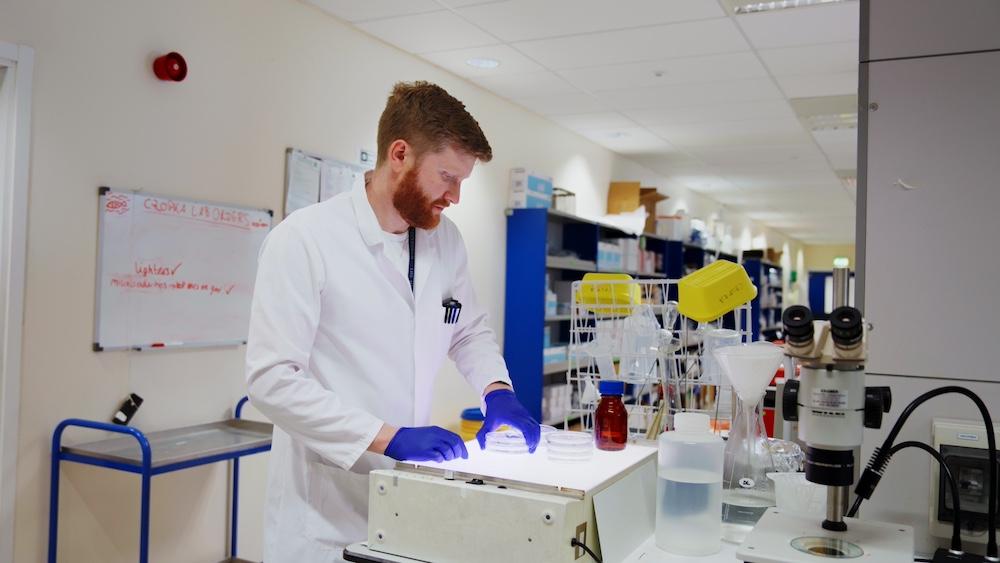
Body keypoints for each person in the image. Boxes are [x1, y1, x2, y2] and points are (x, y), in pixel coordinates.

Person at [245, 81, 540, 563]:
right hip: (323, 509)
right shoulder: (304, 240)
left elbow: (466, 329)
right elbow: (271, 380)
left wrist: (497, 390)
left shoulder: (444, 240)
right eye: (447, 176)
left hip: (406, 500)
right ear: (399, 153)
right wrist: (388, 438)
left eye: (462, 181)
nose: (456, 197)